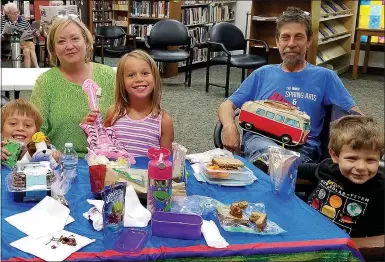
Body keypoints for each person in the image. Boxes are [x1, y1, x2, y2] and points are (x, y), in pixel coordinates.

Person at [218, 7, 361, 166]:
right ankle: (271, 168)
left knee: (279, 165)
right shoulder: (262, 74)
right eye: (285, 37)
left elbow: (355, 116)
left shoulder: (325, 77)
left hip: (302, 148)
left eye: (298, 37)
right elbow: (226, 106)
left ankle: (270, 170)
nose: (291, 44)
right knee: (265, 156)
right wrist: (230, 127)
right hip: (260, 141)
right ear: (278, 41)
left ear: (309, 41)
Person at [29, 15, 115, 157]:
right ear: (53, 48)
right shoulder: (46, 82)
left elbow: (126, 119)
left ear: (86, 41)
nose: (69, 46)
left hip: (108, 160)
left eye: (75, 39)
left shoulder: (108, 75)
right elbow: (35, 131)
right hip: (61, 162)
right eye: (61, 41)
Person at [297, 115, 384, 237]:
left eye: (370, 160)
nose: (361, 167)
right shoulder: (327, 168)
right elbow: (302, 169)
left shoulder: (381, 188)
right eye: (352, 158)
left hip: (348, 250)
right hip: (306, 229)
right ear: (335, 156)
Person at [103, 50, 174, 156]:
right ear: (122, 82)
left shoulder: (164, 121)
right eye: (131, 75)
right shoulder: (113, 113)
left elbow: (166, 162)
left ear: (155, 77)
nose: (139, 79)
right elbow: (103, 146)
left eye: (145, 73)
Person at [1, 2, 40, 68]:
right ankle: (37, 67)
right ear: (8, 15)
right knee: (29, 46)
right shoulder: (1, 21)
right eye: (14, 13)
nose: (17, 15)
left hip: (20, 44)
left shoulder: (23, 21)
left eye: (17, 12)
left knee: (27, 50)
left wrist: (35, 33)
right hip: (6, 45)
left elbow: (30, 32)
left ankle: (27, 72)